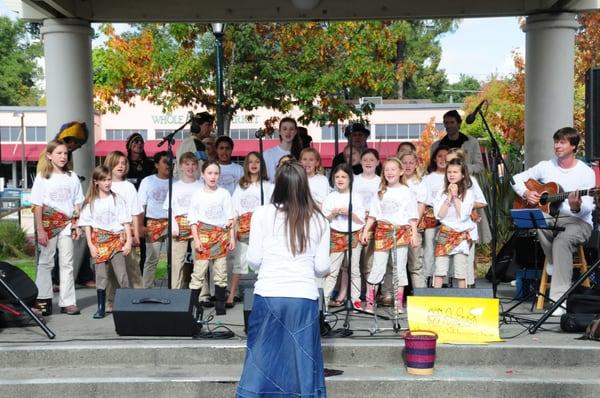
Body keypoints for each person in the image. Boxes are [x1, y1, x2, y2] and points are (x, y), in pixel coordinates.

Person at [236, 161, 329, 398]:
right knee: (301, 363)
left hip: (269, 294)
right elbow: (321, 267)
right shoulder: (319, 218)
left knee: (262, 361)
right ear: (303, 186)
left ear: (278, 185)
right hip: (303, 298)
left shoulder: (262, 213)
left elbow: (254, 260)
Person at [512, 127, 595, 316]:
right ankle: (554, 260)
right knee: (538, 218)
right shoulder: (546, 166)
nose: (557, 146)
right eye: (556, 142)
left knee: (562, 240)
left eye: (562, 142)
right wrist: (526, 193)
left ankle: (559, 300)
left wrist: (575, 206)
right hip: (553, 219)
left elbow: (588, 208)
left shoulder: (585, 172)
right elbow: (516, 179)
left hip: (578, 222)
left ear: (573, 146)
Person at [31, 140, 84, 316]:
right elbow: (37, 205)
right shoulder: (42, 176)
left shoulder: (72, 176)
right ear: (49, 155)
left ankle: (68, 301)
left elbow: (78, 202)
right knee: (46, 261)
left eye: (65, 153)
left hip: (67, 224)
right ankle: (43, 300)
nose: (62, 157)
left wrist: (77, 224)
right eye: (59, 153)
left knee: (67, 263)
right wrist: (40, 230)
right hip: (48, 224)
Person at [360, 157, 419, 314]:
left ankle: (398, 302)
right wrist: (366, 230)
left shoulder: (407, 192)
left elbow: (412, 215)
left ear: (400, 172)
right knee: (378, 266)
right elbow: (373, 215)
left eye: (393, 169)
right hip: (383, 231)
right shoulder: (380, 193)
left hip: (401, 231)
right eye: (386, 170)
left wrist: (414, 233)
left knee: (399, 266)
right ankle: (370, 302)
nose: (390, 172)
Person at [79, 166, 132, 318]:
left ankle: (125, 306)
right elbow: (87, 225)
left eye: (109, 179)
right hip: (99, 241)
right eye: (103, 180)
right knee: (101, 276)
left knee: (121, 274)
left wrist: (128, 241)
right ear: (96, 182)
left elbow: (125, 221)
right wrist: (90, 245)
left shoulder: (117, 199)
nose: (107, 183)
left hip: (116, 240)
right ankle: (101, 306)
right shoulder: (91, 202)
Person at [188, 161, 236, 315]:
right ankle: (194, 305)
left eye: (216, 173)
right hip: (203, 236)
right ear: (203, 175)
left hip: (221, 236)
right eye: (209, 173)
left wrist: (232, 238)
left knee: (221, 272)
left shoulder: (224, 194)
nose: (213, 176)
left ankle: (220, 306)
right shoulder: (197, 194)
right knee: (199, 272)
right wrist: (196, 240)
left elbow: (230, 218)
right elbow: (193, 220)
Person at [228, 152, 274, 307]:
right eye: (250, 162)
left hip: (261, 229)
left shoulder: (268, 186)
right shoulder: (241, 186)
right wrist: (232, 234)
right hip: (243, 229)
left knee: (261, 263)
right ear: (246, 165)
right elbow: (234, 210)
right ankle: (232, 294)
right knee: (239, 262)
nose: (254, 165)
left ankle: (262, 293)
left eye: (257, 162)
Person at [103, 151, 144, 313]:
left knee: (132, 266)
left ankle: (139, 297)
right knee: (110, 270)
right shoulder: (104, 185)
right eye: (117, 163)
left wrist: (135, 234)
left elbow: (135, 212)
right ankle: (111, 300)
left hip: (126, 232)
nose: (121, 166)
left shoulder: (129, 187)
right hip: (107, 234)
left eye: (124, 163)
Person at [322, 163, 364, 311]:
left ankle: (355, 299)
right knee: (333, 269)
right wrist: (333, 213)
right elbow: (324, 219)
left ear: (350, 179)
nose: (340, 179)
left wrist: (349, 213)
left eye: (344, 177)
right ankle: (325, 299)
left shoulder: (356, 197)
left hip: (354, 234)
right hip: (336, 235)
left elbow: (361, 220)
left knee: (354, 269)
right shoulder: (330, 197)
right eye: (337, 176)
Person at [432, 159, 477, 289]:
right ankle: (436, 301)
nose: (451, 175)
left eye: (455, 172)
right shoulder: (442, 192)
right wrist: (449, 197)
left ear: (463, 174)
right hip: (445, 234)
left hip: (461, 236)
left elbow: (463, 215)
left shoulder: (469, 193)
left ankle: (462, 300)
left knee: (461, 272)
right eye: (449, 172)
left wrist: (456, 196)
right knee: (440, 270)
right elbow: (439, 214)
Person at [164, 152, 204, 289]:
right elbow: (169, 209)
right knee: (177, 262)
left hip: (197, 226)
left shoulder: (201, 186)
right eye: (187, 164)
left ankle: (202, 294)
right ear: (181, 166)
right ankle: (176, 291)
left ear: (197, 167)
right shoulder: (175, 186)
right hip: (179, 225)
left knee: (200, 261)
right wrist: (174, 226)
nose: (190, 167)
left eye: (193, 164)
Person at [138, 151, 170, 288]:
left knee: (173, 260)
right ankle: (147, 288)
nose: (168, 165)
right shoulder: (147, 181)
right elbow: (141, 205)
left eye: (170, 162)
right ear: (157, 164)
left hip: (171, 224)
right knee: (151, 259)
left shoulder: (176, 182)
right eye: (165, 162)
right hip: (153, 223)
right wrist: (140, 225)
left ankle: (174, 288)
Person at [354, 148, 381, 298]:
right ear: (360, 162)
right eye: (365, 160)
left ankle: (371, 295)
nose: (368, 163)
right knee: (356, 261)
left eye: (372, 160)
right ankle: (357, 293)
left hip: (373, 224)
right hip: (357, 223)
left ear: (377, 162)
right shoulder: (355, 180)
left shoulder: (380, 181)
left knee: (369, 261)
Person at [421, 145, 450, 285]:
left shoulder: (452, 176)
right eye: (439, 156)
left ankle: (444, 278)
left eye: (446, 156)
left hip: (449, 218)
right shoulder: (428, 178)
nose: (443, 159)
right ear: (434, 159)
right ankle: (428, 276)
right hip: (432, 217)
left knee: (446, 247)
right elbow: (424, 200)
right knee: (430, 247)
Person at [431, 110, 484, 175]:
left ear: (459, 124)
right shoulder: (436, 146)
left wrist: (463, 168)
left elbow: (480, 166)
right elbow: (432, 168)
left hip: (466, 182)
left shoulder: (472, 142)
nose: (449, 125)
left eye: (452, 122)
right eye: (446, 123)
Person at [263, 117, 303, 181]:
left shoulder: (301, 155)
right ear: (279, 132)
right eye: (284, 129)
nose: (288, 132)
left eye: (291, 129)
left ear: (295, 132)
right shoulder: (268, 154)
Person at [175, 111, 214, 178]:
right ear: (197, 126)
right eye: (208, 125)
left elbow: (175, 172)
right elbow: (203, 171)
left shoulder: (185, 143)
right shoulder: (197, 143)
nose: (211, 129)